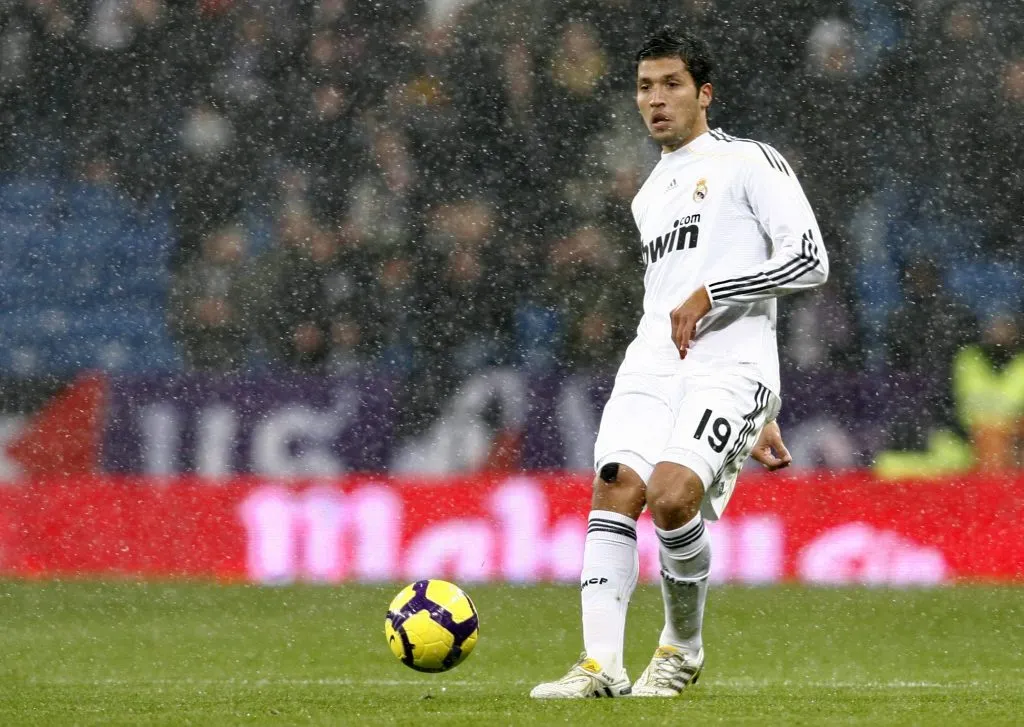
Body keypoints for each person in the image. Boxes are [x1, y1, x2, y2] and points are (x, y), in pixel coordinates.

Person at [530, 28, 829, 699]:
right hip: (653, 360)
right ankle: (601, 664)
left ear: (704, 94)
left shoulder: (750, 161)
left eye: (671, 84)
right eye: (644, 86)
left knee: (670, 496)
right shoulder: (647, 195)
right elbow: (669, 295)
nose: (656, 99)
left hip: (730, 367)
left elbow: (811, 260)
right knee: (614, 483)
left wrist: (719, 302)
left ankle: (680, 647)